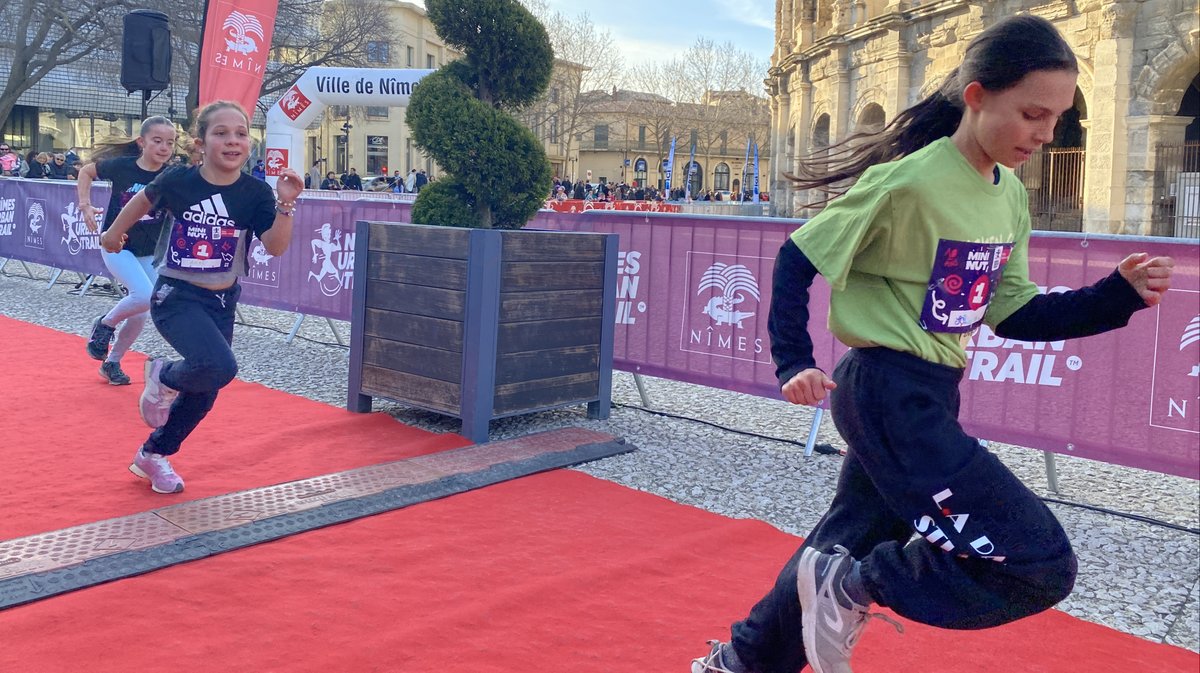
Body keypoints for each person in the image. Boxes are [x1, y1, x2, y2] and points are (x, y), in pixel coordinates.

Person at [691, 16, 1175, 673]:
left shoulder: (1008, 198)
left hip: (927, 395)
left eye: (1057, 120)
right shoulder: (909, 183)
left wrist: (1114, 296)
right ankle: (856, 587)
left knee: (844, 539)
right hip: (890, 390)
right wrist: (793, 359)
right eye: (1032, 114)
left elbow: (1014, 313)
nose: (1045, 134)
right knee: (1040, 560)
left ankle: (742, 662)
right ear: (976, 97)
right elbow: (799, 255)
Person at [100, 100, 304, 494]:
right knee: (219, 366)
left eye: (241, 133)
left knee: (206, 388)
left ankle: (153, 454)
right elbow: (144, 199)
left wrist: (286, 204)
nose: (233, 141)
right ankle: (162, 374)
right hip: (176, 295)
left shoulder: (255, 193)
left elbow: (276, 247)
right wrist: (114, 232)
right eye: (221, 133)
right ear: (201, 143)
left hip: (222, 302)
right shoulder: (180, 180)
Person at [79, 116, 178, 385]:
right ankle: (105, 324)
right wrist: (85, 204)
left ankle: (112, 363)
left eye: (170, 143)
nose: (164, 147)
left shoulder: (170, 176)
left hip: (149, 252)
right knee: (144, 295)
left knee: (144, 308)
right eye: (157, 141)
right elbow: (86, 171)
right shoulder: (122, 167)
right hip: (116, 245)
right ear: (141, 142)